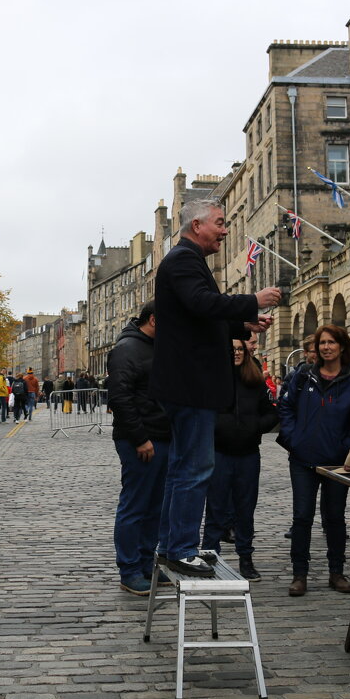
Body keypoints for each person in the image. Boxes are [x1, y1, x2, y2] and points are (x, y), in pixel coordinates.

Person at [149, 198, 278, 577]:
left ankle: (172, 543)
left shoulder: (188, 259)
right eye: (220, 223)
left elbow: (198, 318)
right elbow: (202, 303)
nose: (225, 230)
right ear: (197, 226)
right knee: (195, 468)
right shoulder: (183, 259)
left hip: (188, 384)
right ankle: (182, 547)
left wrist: (243, 326)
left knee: (182, 468)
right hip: (191, 385)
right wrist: (251, 301)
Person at [279, 325, 350, 596]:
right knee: (302, 517)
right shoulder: (303, 376)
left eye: (331, 343)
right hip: (303, 459)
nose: (326, 347)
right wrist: (293, 438)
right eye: (322, 343)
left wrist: (346, 445)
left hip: (337, 461)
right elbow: (286, 407)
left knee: (335, 517)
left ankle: (336, 571)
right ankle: (299, 573)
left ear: (342, 346)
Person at [107, 301, 171, 595]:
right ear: (155, 320)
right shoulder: (126, 349)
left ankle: (147, 565)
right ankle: (129, 569)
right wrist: (140, 438)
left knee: (155, 508)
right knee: (135, 505)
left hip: (162, 436)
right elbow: (121, 399)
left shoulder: (157, 347)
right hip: (140, 440)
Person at [201, 338, 279, 581]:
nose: (235, 352)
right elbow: (202, 413)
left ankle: (246, 558)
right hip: (219, 452)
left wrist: (255, 426)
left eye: (239, 349)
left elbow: (272, 413)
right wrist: (216, 427)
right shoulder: (212, 380)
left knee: (246, 509)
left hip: (247, 453)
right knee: (215, 508)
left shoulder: (254, 380)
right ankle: (209, 556)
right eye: (231, 349)